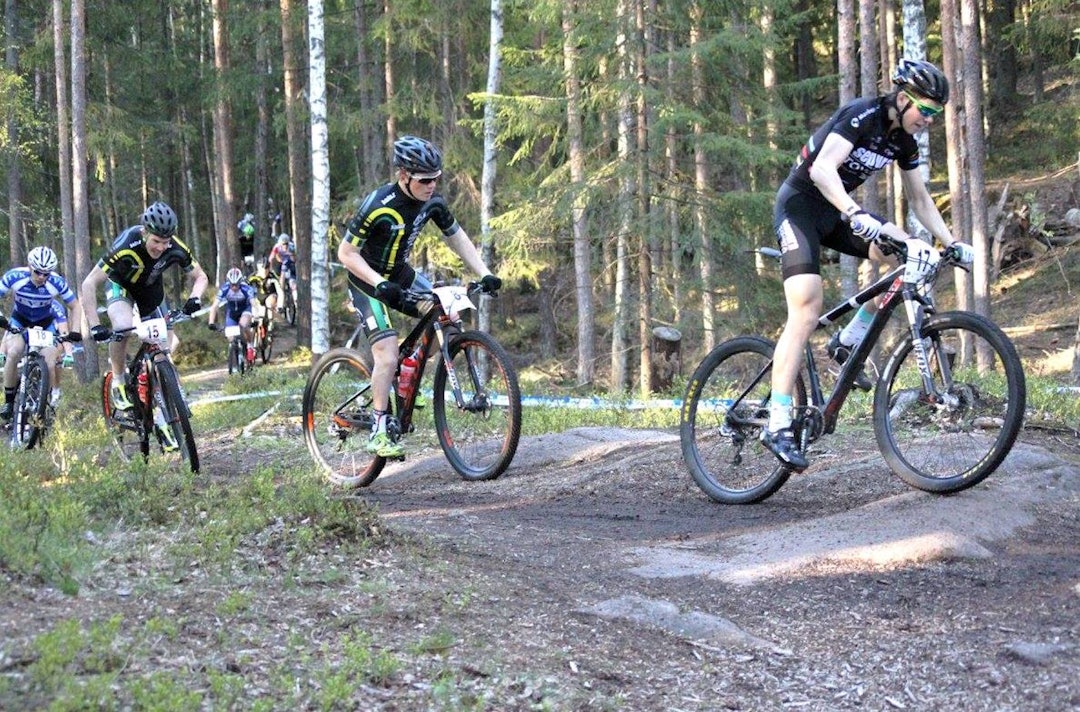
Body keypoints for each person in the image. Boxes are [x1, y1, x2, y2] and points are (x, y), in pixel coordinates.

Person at [762, 59, 975, 470]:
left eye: (935, 114)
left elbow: (919, 200)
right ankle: (777, 422)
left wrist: (952, 242)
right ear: (901, 99)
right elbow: (822, 169)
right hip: (800, 209)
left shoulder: (904, 142)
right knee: (805, 310)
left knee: (909, 253)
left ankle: (848, 338)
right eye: (925, 111)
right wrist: (853, 210)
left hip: (840, 215)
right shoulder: (861, 115)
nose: (929, 120)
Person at [337, 135, 502, 458]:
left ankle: (408, 372)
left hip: (399, 274)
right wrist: (377, 282)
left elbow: (457, 237)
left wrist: (484, 272)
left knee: (448, 316)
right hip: (365, 280)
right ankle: (380, 428)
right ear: (403, 176)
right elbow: (346, 253)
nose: (431, 185)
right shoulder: (378, 204)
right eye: (425, 180)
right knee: (386, 354)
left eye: (436, 179)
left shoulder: (433, 203)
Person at [82, 201, 209, 426]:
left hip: (150, 292)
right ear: (144, 232)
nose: (161, 247)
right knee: (122, 326)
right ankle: (118, 381)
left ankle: (160, 410)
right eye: (156, 241)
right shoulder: (126, 243)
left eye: (166, 242)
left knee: (167, 346)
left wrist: (195, 298)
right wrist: (94, 325)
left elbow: (200, 276)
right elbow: (89, 282)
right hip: (120, 286)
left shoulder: (175, 246)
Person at [0, 246, 83, 418]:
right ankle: (8, 402)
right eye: (38, 272)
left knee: (49, 361)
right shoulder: (15, 276)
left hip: (45, 324)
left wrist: (75, 331)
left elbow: (75, 306)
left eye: (46, 273)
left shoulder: (57, 282)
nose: (42, 277)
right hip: (20, 321)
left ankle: (45, 403)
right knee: (14, 352)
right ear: (30, 267)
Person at [207, 267, 258, 364]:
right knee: (231, 338)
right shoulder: (225, 289)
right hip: (232, 313)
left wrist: (255, 317)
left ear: (240, 282)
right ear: (228, 283)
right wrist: (211, 322)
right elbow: (214, 307)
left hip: (245, 310)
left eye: (236, 285)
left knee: (243, 325)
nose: (234, 287)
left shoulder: (246, 289)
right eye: (232, 285)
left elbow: (254, 304)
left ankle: (250, 345)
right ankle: (236, 359)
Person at [268, 233, 297, 311]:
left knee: (292, 278)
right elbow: (271, 258)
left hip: (291, 263)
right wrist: (270, 269)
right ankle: (281, 293)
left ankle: (294, 295)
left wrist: (291, 254)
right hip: (282, 262)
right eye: (283, 244)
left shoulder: (291, 247)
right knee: (282, 277)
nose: (285, 246)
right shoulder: (277, 247)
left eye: (286, 244)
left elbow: (295, 259)